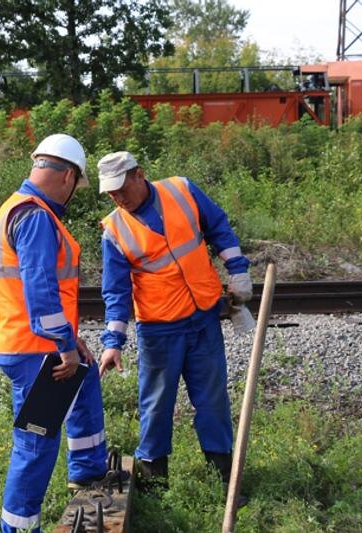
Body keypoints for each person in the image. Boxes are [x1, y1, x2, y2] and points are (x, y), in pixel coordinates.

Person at [95, 151, 252, 501]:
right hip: (159, 331)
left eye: (121, 188)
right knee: (156, 406)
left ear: (140, 174)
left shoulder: (182, 190)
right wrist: (113, 342)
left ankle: (224, 479)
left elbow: (218, 226)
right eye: (111, 193)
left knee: (213, 401)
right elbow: (116, 292)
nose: (118, 198)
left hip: (203, 320)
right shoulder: (115, 230)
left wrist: (238, 270)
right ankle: (154, 487)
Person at [0, 134, 120, 533]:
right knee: (37, 441)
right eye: (77, 185)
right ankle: (19, 528)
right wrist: (64, 346)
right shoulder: (37, 217)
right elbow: (40, 289)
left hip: (24, 340)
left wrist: (73, 342)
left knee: (85, 380)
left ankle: (89, 470)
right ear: (68, 178)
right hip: (33, 348)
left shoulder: (17, 208)